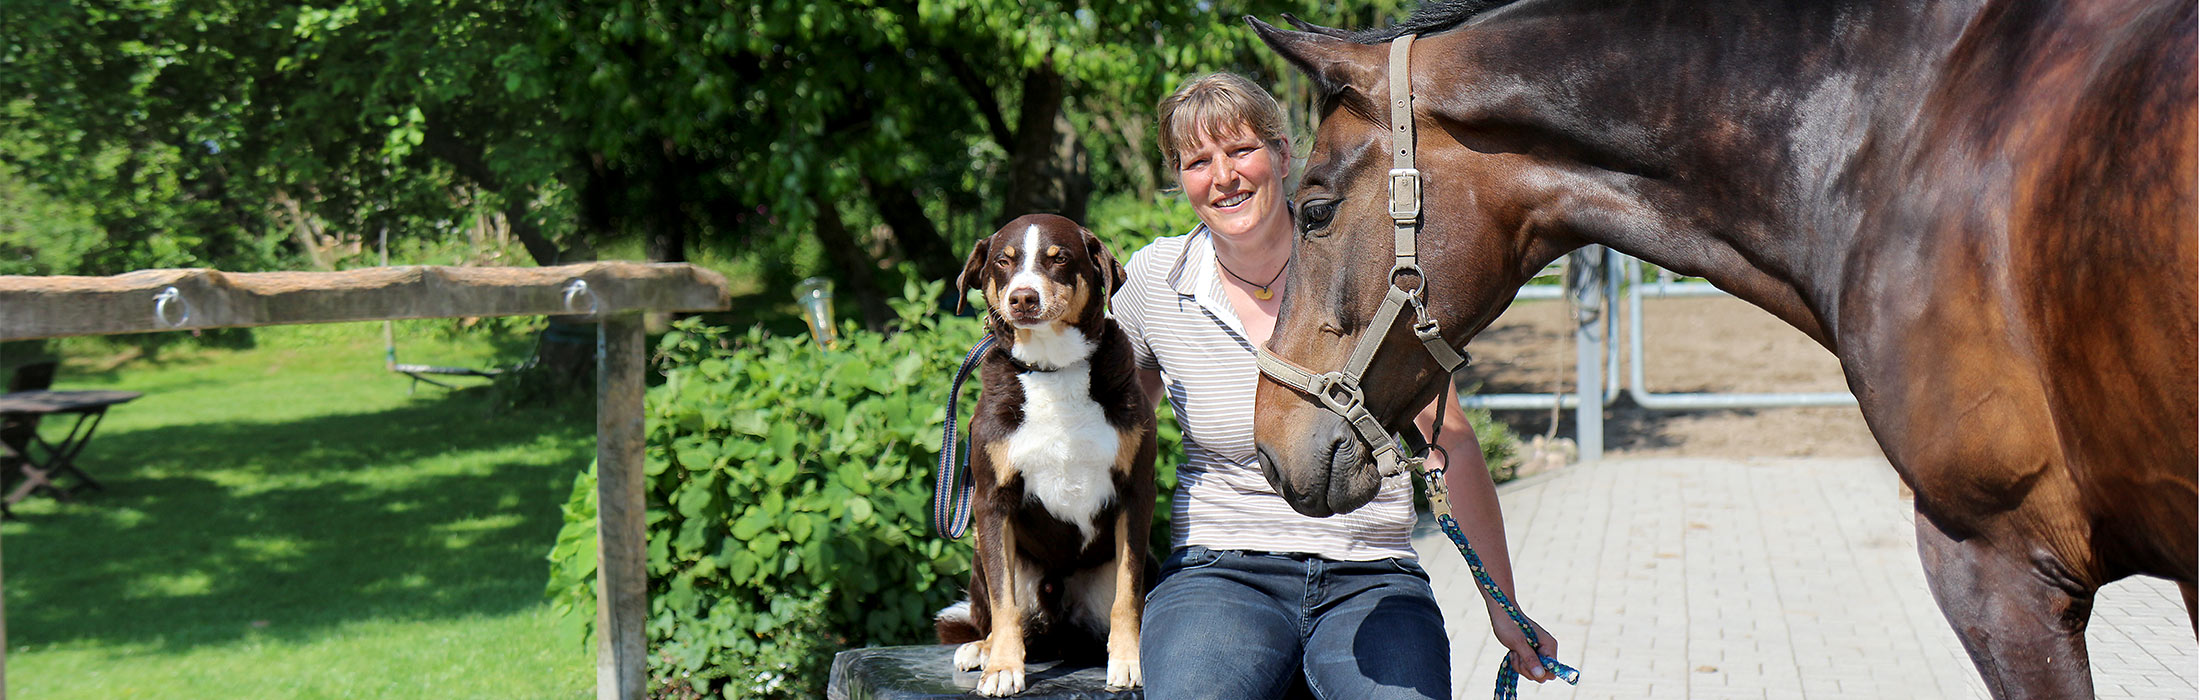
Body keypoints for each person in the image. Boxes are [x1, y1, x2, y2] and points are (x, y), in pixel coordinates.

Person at [1110, 72, 1560, 699]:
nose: (1222, 176)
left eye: (1241, 150)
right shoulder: (1157, 281)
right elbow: (1112, 436)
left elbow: (1449, 444)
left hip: (1372, 575)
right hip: (1220, 572)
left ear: (1284, 155)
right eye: (1197, 161)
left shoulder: (1364, 269)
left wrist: (1502, 605)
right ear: (1180, 176)